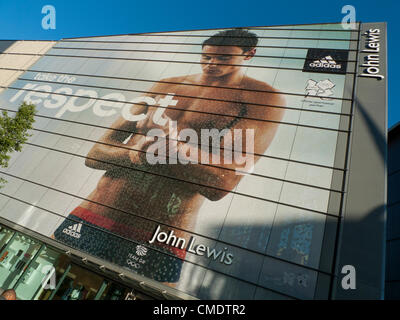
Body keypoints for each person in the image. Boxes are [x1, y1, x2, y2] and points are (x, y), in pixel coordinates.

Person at [53, 29, 286, 284]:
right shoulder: (167, 85)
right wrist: (133, 153)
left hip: (162, 236)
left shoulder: (262, 99)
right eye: (207, 57)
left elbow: (222, 184)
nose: (212, 64)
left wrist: (172, 150)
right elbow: (95, 154)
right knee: (48, 283)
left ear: (249, 55)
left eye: (223, 59)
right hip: (96, 212)